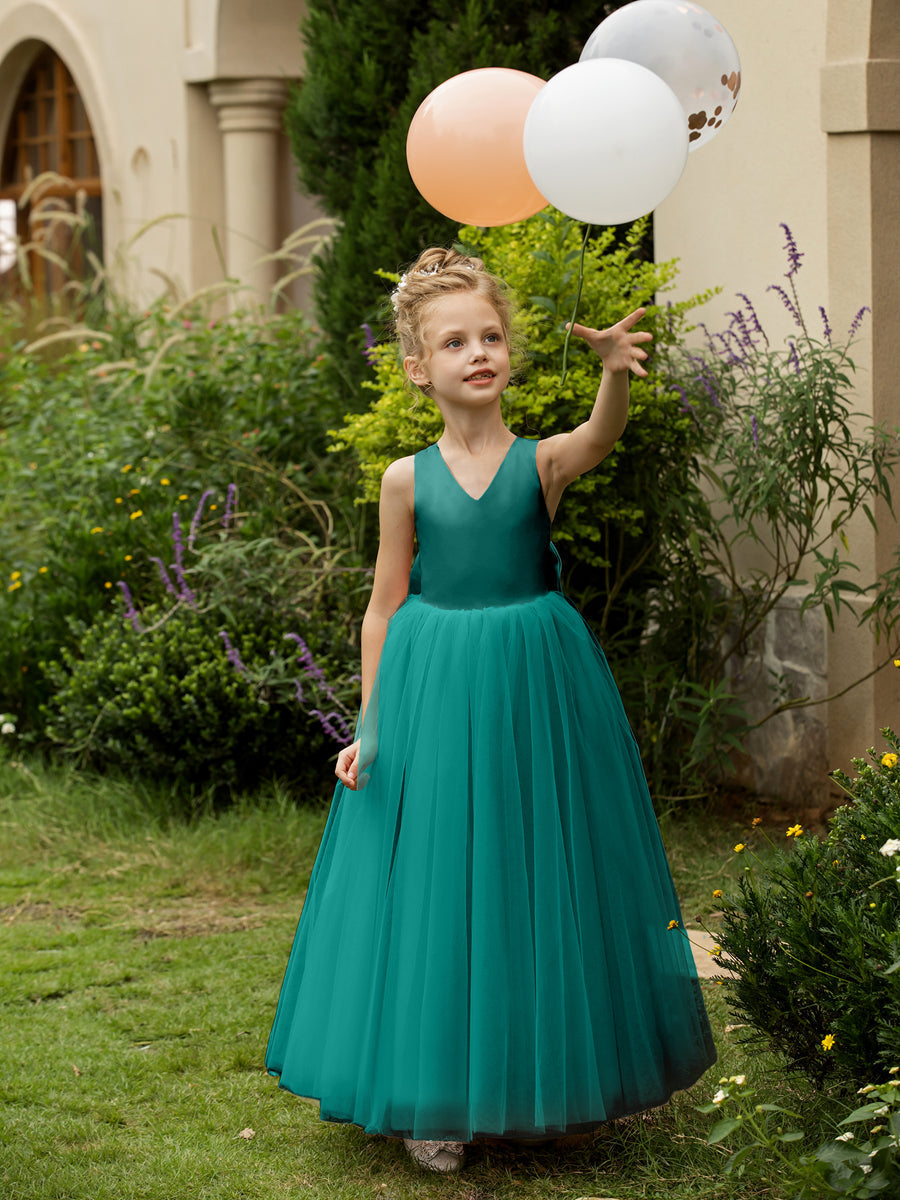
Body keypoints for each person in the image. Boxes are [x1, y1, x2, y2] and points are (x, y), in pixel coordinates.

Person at [265, 247, 717, 1174]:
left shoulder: (540, 461)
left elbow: (600, 439)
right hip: (433, 684)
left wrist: (610, 376)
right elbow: (384, 605)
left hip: (534, 681)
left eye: (492, 336)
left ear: (509, 352)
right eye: (455, 341)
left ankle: (545, 1083)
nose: (479, 352)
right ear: (416, 367)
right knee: (439, 877)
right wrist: (371, 728)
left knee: (535, 868)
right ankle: (437, 1095)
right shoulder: (405, 479)